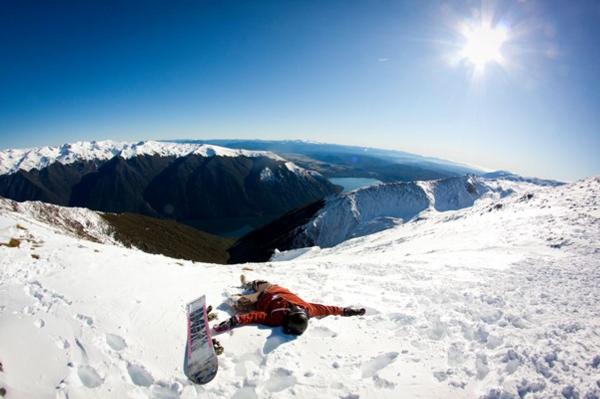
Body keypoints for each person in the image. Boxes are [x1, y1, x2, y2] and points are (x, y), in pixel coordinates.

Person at [213, 278, 366, 335]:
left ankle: (236, 297)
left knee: (239, 302)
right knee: (261, 283)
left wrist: (234, 321)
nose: (294, 308)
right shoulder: (309, 309)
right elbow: (329, 309)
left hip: (260, 298)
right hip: (274, 288)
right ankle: (249, 284)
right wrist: (348, 311)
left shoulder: (277, 318)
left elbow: (255, 316)